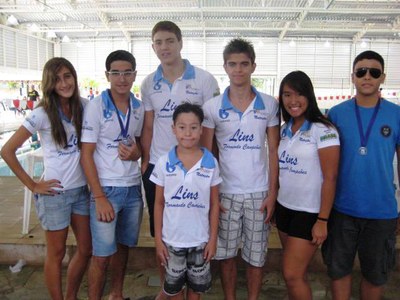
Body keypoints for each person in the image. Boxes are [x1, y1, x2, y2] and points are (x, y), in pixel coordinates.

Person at [140, 20, 219, 300]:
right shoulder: (149, 83)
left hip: (197, 166)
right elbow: (148, 126)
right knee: (162, 235)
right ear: (153, 47)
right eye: (159, 42)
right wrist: (145, 160)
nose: (165, 47)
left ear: (181, 43)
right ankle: (170, 289)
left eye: (170, 41)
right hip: (161, 167)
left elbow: (209, 126)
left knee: (195, 229)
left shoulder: (204, 80)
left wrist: (206, 161)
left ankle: (191, 289)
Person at [1, 57, 91, 300]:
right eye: (57, 79)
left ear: (74, 77)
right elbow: (7, 151)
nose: (64, 83)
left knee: (86, 248)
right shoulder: (41, 113)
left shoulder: (85, 106)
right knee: (56, 252)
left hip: (81, 191)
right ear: (49, 84)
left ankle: (70, 295)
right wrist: (33, 185)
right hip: (55, 194)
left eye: (68, 76)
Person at [201, 38, 280, 300]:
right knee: (225, 254)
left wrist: (272, 193)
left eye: (244, 64)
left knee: (256, 257)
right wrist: (212, 197)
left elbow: (273, 151)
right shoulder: (212, 107)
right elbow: (207, 155)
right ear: (224, 67)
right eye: (233, 64)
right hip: (226, 193)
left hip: (259, 193)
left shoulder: (269, 105)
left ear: (253, 66)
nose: (238, 70)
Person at [322, 50, 400, 300]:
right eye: (361, 72)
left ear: (382, 77)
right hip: (342, 209)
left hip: (382, 211)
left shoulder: (396, 114)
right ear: (352, 77)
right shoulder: (335, 114)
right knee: (338, 271)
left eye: (374, 72)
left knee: (375, 275)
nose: (367, 77)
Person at [80, 50, 144, 300]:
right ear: (107, 76)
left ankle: (116, 294)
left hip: (132, 189)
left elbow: (139, 146)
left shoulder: (138, 108)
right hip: (106, 189)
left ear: (134, 75)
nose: (122, 78)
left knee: (123, 248)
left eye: (127, 72)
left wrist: (136, 153)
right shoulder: (96, 106)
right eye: (116, 73)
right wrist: (99, 196)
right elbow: (86, 154)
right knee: (102, 254)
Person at [276, 70, 340, 299]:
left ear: (309, 96)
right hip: (284, 208)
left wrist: (322, 219)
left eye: (299, 94)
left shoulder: (323, 130)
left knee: (292, 274)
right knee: (294, 274)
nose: (293, 101)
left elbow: (331, 177)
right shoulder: (284, 130)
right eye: (287, 94)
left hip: (310, 213)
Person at [151, 103, 221, 300]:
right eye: (182, 127)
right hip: (172, 240)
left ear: (201, 129)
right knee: (174, 290)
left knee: (195, 290)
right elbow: (158, 204)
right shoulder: (164, 162)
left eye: (193, 127)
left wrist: (212, 239)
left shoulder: (210, 163)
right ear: (173, 129)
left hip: (200, 240)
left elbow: (215, 204)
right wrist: (158, 240)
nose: (188, 133)